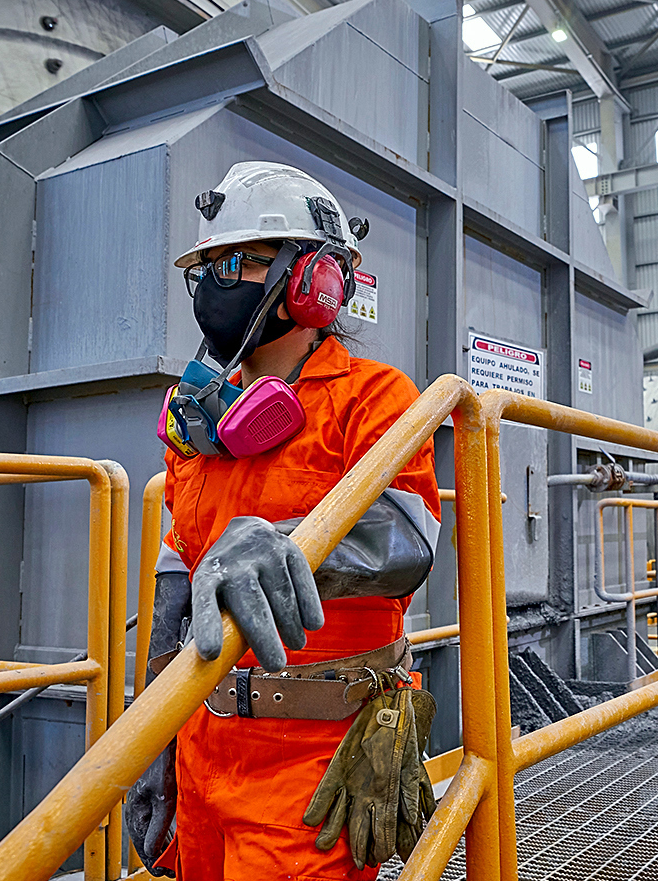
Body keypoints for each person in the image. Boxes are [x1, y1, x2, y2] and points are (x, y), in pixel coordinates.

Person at [126, 161, 442, 879]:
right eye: (205, 268)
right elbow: (179, 572)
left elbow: (410, 537)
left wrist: (287, 543)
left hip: (312, 766)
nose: (214, 284)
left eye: (234, 263)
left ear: (313, 280)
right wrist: (153, 740)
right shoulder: (200, 421)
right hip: (204, 755)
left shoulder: (376, 398)